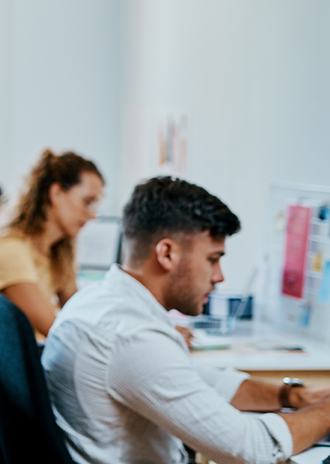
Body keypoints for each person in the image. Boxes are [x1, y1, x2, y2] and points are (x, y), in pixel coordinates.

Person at [43, 176, 330, 463]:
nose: (219, 276)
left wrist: (293, 397)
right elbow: (253, 450)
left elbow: (197, 382)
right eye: (212, 259)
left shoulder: (105, 301)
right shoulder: (129, 333)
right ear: (167, 253)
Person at [0, 149, 103, 460]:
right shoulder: (10, 250)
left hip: (3, 366)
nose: (92, 214)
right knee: (71, 410)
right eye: (87, 202)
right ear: (56, 193)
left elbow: (80, 314)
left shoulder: (55, 255)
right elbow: (57, 329)